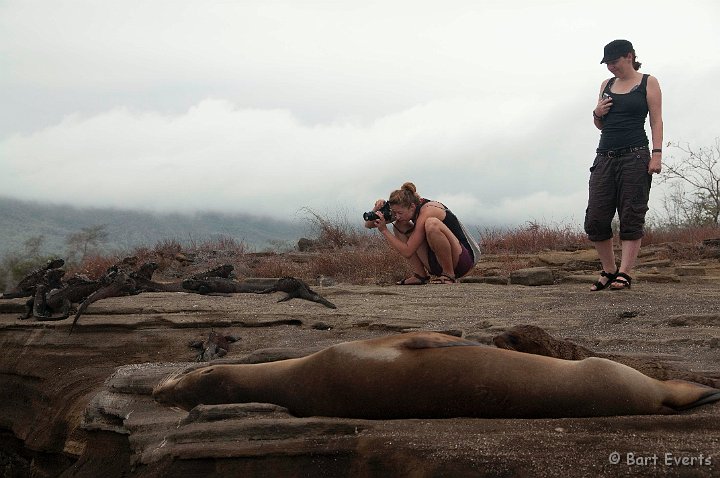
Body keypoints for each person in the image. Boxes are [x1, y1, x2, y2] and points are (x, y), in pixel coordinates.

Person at [585, 39, 663, 291]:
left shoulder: (647, 82)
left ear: (629, 56)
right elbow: (600, 124)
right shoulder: (606, 85)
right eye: (607, 63)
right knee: (596, 217)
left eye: (614, 61)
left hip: (635, 155)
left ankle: (625, 273)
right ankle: (608, 269)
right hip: (604, 155)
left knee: (631, 213)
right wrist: (597, 112)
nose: (610, 67)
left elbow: (656, 120)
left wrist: (657, 154)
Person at [364, 182, 478, 284]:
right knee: (400, 226)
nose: (397, 216)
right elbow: (368, 225)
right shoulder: (403, 209)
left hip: (463, 261)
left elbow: (408, 251)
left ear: (412, 206)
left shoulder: (428, 210)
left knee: (431, 224)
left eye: (399, 213)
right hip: (437, 263)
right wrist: (376, 209)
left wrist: (384, 230)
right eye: (394, 213)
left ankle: (448, 274)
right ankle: (420, 275)